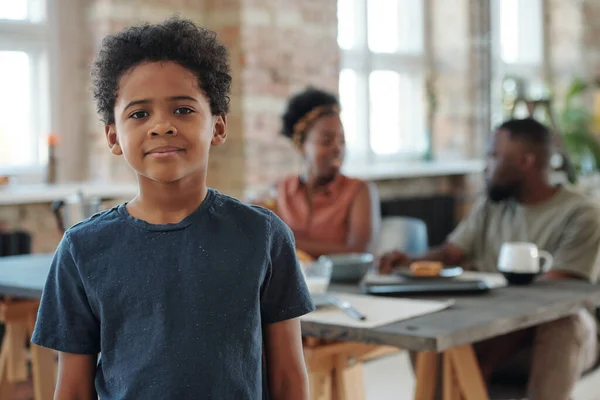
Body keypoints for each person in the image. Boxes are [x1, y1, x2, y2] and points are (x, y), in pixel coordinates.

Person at [31, 17, 313, 400]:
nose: (161, 126)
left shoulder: (263, 236)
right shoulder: (82, 250)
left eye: (182, 110)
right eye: (139, 113)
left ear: (217, 126)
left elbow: (288, 379)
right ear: (114, 136)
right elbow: (73, 388)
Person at [380, 118, 600, 400]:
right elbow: (450, 254)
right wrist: (409, 262)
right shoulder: (492, 205)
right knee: (425, 313)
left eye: (494, 155)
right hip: (487, 325)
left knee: (564, 324)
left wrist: (487, 361)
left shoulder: (582, 214)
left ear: (526, 161)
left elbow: (549, 302)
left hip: (547, 336)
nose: (486, 165)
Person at [253, 88, 380, 259]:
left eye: (342, 140)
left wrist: (285, 240)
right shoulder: (280, 191)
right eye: (326, 141)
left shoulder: (358, 191)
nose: (338, 149)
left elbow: (359, 253)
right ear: (302, 145)